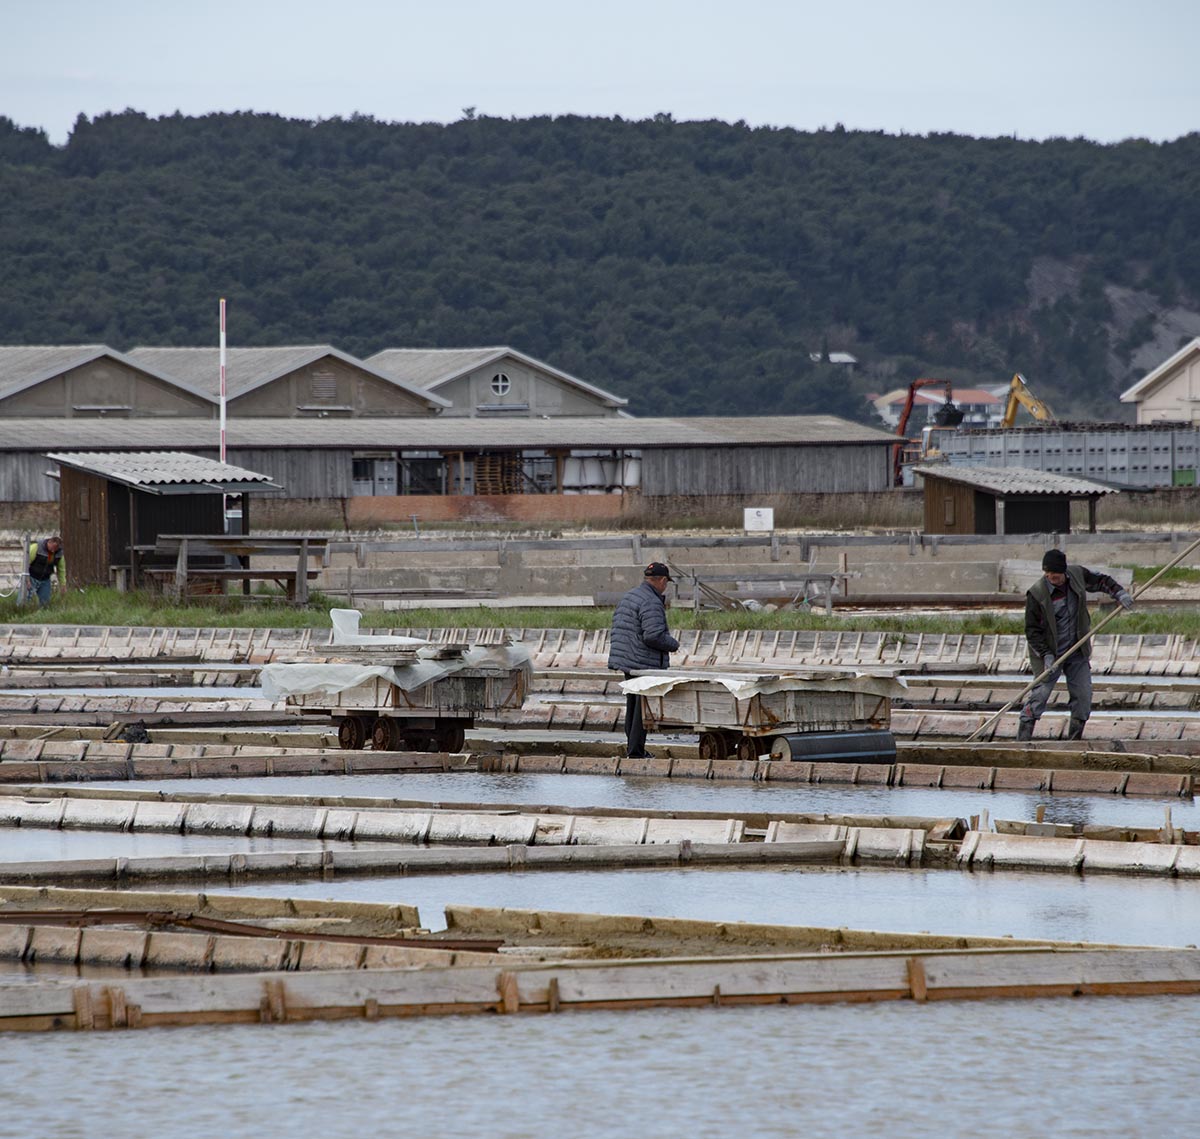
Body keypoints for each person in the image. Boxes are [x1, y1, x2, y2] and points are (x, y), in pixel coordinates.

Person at [1019, 548, 1133, 742]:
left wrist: (1119, 593)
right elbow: (1032, 631)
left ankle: (1074, 742)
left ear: (1063, 572)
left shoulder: (1078, 575)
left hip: (1077, 650)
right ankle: (1022, 741)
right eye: (1047, 575)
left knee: (1083, 697)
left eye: (1054, 576)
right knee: (1039, 696)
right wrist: (1046, 655)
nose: (1050, 578)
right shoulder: (1037, 594)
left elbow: (1101, 581)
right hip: (1050, 656)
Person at [607, 561, 680, 759]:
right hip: (642, 661)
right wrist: (674, 645)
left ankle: (633, 749)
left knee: (632, 705)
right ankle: (636, 752)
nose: (666, 587)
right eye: (667, 583)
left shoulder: (631, 595)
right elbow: (653, 636)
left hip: (627, 658)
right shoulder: (651, 601)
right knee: (641, 709)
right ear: (662, 580)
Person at [26, 535, 65, 608]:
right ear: (49, 542)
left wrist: (62, 584)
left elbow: (61, 570)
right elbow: (25, 564)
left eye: (56, 549)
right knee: (25, 600)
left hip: (45, 580)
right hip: (32, 577)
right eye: (52, 547)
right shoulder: (36, 548)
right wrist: (27, 579)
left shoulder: (59, 554)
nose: (53, 550)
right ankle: (21, 612)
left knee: (45, 604)